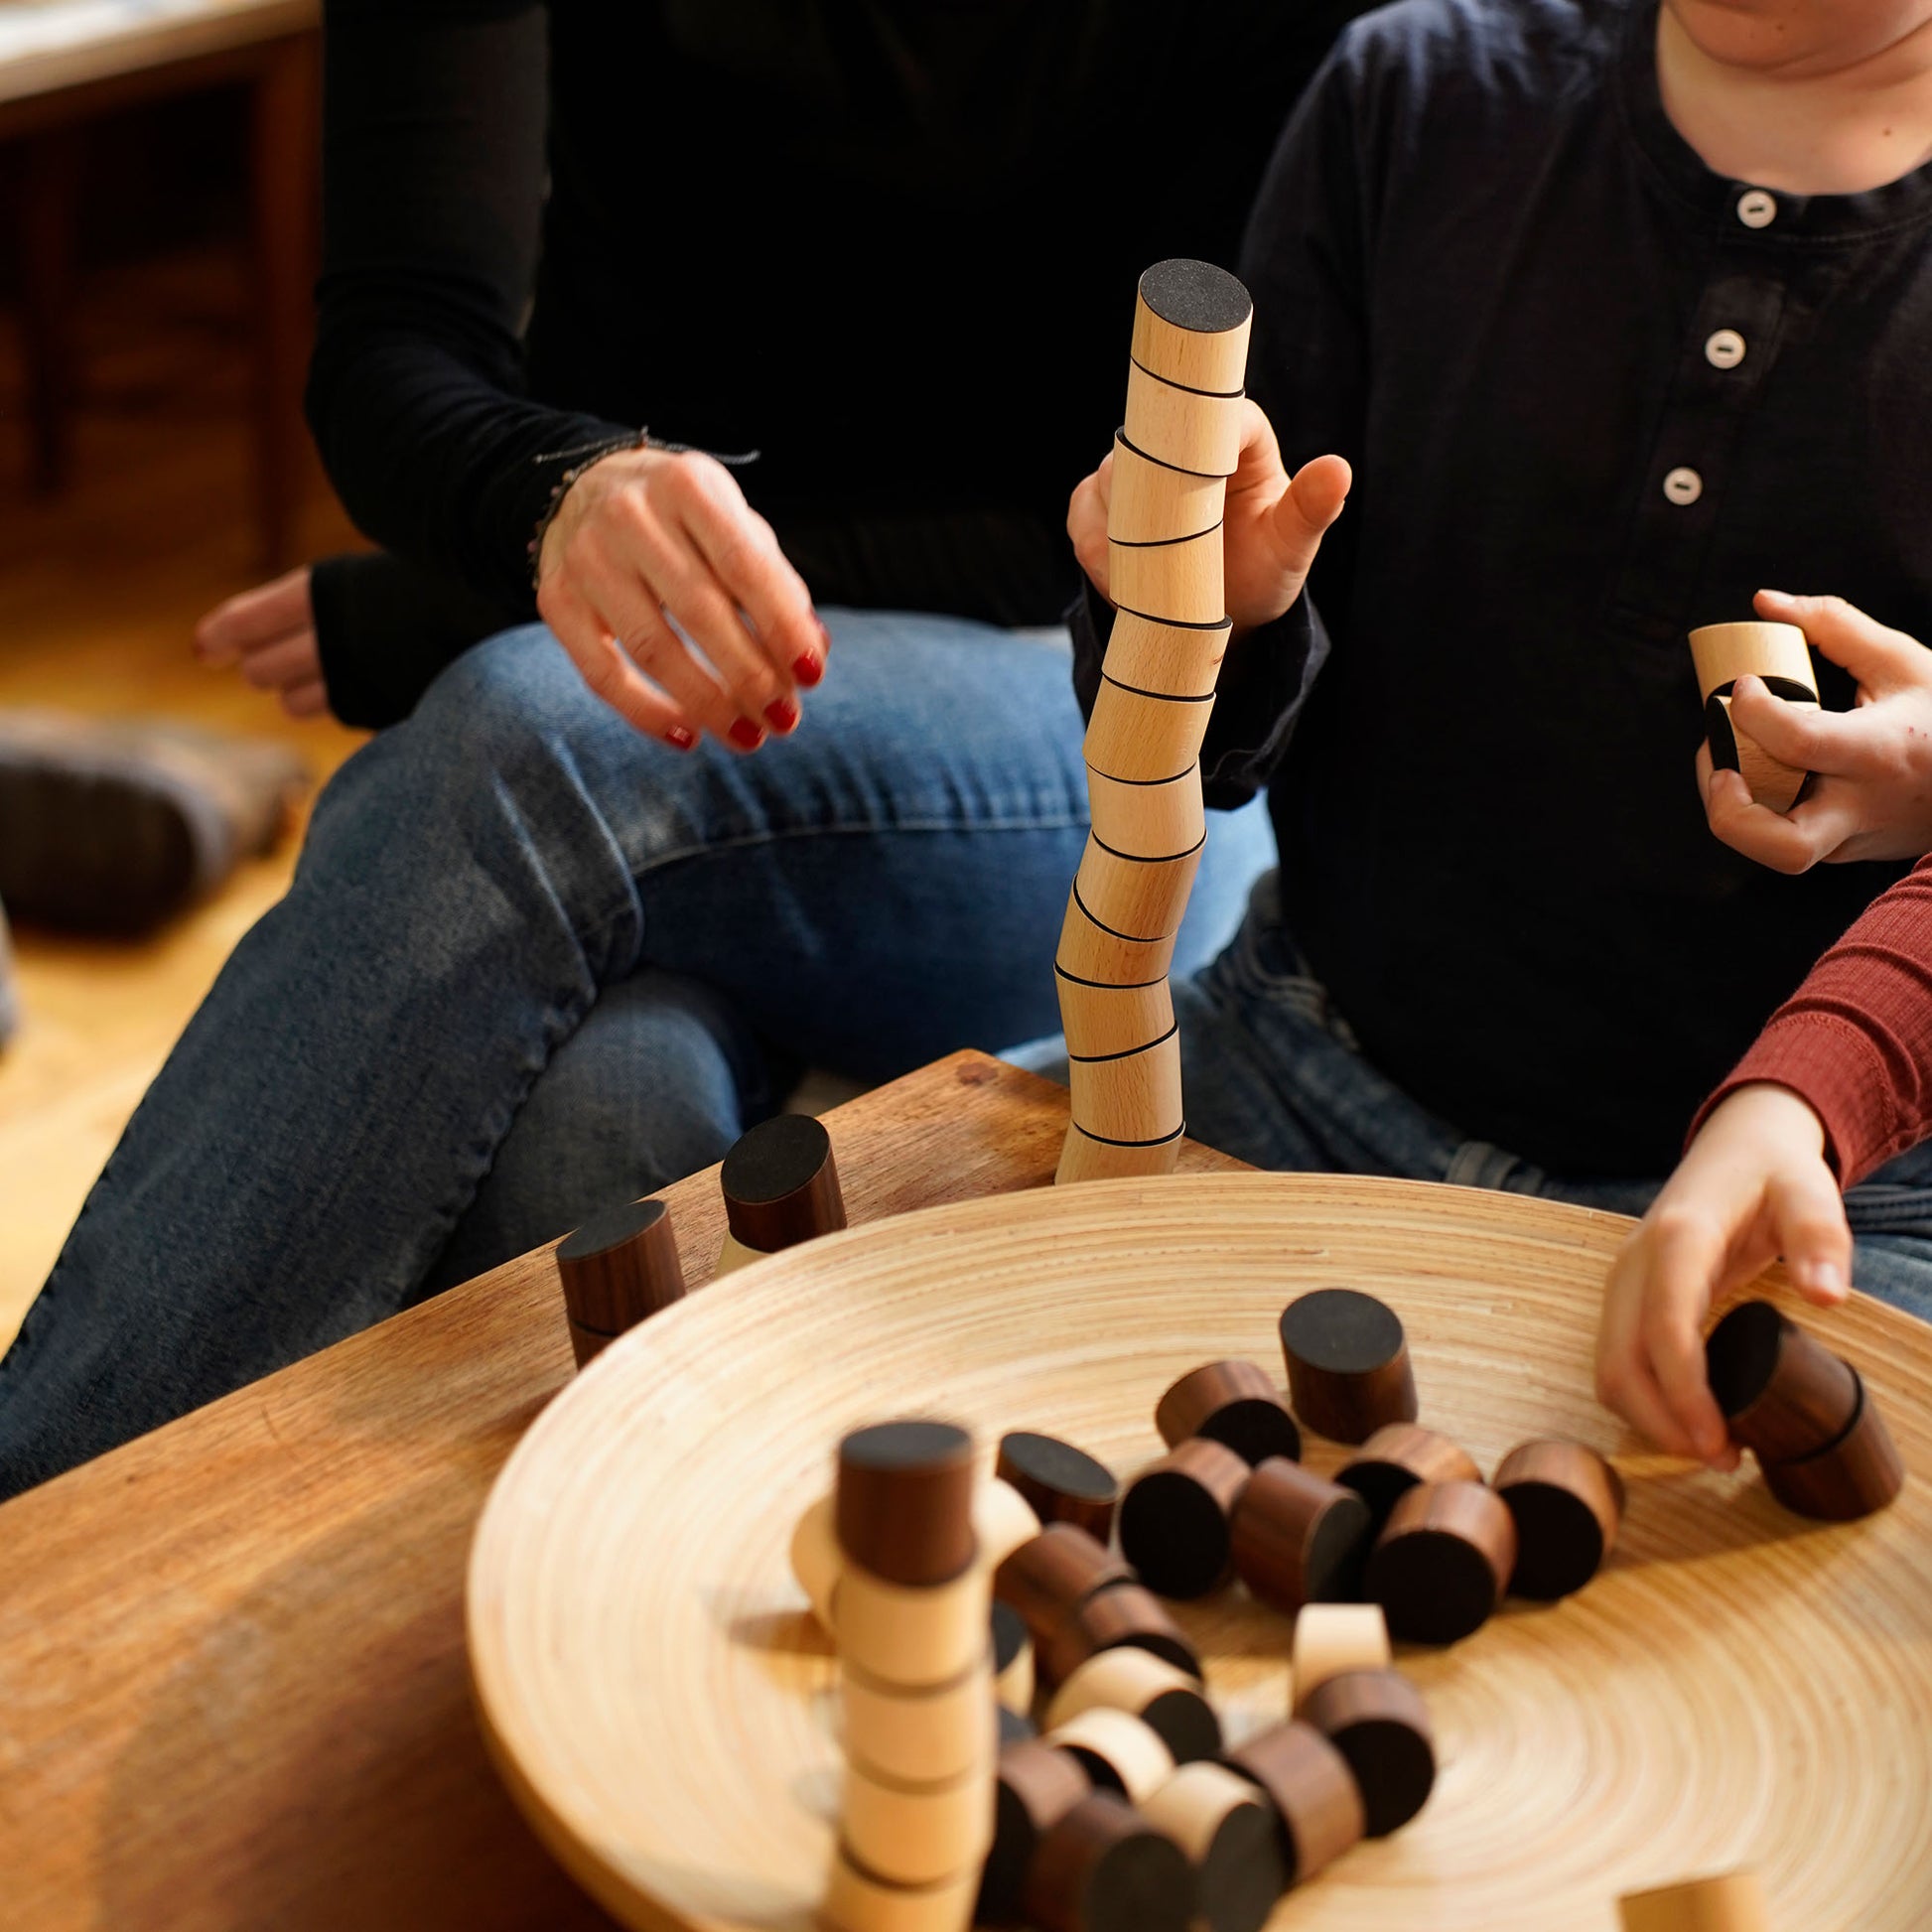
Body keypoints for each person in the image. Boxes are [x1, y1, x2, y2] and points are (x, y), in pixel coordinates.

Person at [0, 2, 1370, 1495]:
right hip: (657, 726)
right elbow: (396, 343)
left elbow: (1162, 547)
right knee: (601, 1128)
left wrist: (467, 610)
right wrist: (560, 502)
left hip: (1092, 727)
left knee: (518, 736)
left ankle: (36, 1531)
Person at [1051, 0, 1932, 1448]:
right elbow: (1194, 751)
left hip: (1837, 1192)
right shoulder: (1414, 94)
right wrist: (1202, 610)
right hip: (1311, 1067)